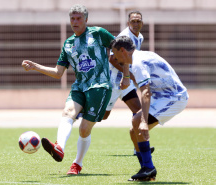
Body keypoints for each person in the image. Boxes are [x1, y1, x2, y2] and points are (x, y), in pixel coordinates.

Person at [21, 4, 114, 175]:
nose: (75, 21)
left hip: (99, 86)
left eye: (79, 18)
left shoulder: (98, 33)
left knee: (84, 129)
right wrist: (35, 67)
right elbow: (58, 73)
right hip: (80, 86)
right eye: (72, 18)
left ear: (86, 19)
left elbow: (118, 49)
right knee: (67, 112)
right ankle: (59, 148)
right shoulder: (68, 43)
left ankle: (77, 164)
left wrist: (125, 73)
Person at [110, 36, 189, 181]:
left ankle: (148, 168)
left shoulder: (139, 63)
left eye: (114, 53)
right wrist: (126, 76)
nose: (114, 58)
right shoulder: (138, 55)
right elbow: (129, 65)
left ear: (122, 50)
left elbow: (146, 92)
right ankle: (146, 170)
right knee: (133, 130)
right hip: (162, 95)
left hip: (174, 97)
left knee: (137, 122)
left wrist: (144, 122)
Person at [103, 11, 154, 163]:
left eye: (138, 21)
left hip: (126, 83)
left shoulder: (140, 37)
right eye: (133, 21)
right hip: (113, 82)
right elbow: (112, 58)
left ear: (142, 23)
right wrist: (130, 75)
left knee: (138, 112)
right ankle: (80, 112)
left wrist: (130, 76)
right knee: (103, 116)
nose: (136, 24)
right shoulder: (123, 37)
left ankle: (138, 146)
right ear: (128, 23)